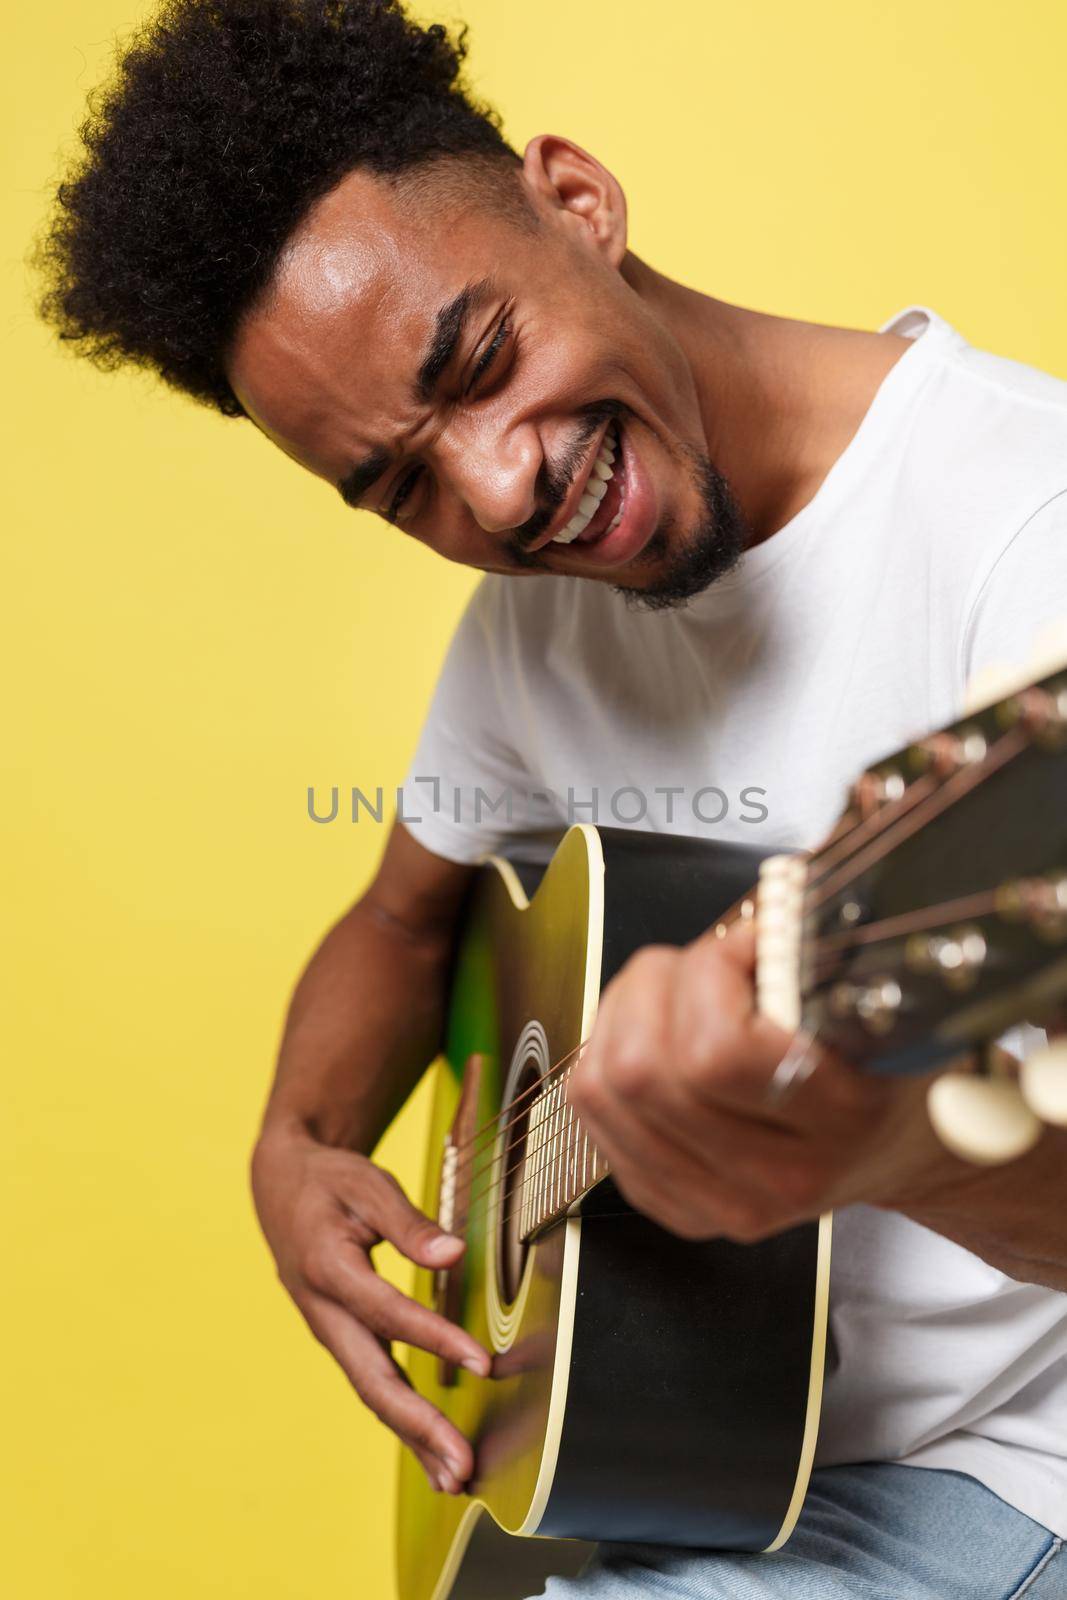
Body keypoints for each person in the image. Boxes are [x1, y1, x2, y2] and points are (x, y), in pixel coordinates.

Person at [36, 2, 1067, 1594]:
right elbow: (397, 915)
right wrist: (294, 1142)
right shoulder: (530, 635)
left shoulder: (1025, 540)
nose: (503, 490)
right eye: (406, 488)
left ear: (577, 202)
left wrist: (875, 1151)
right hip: (681, 1468)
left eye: (482, 361)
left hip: (995, 1470)